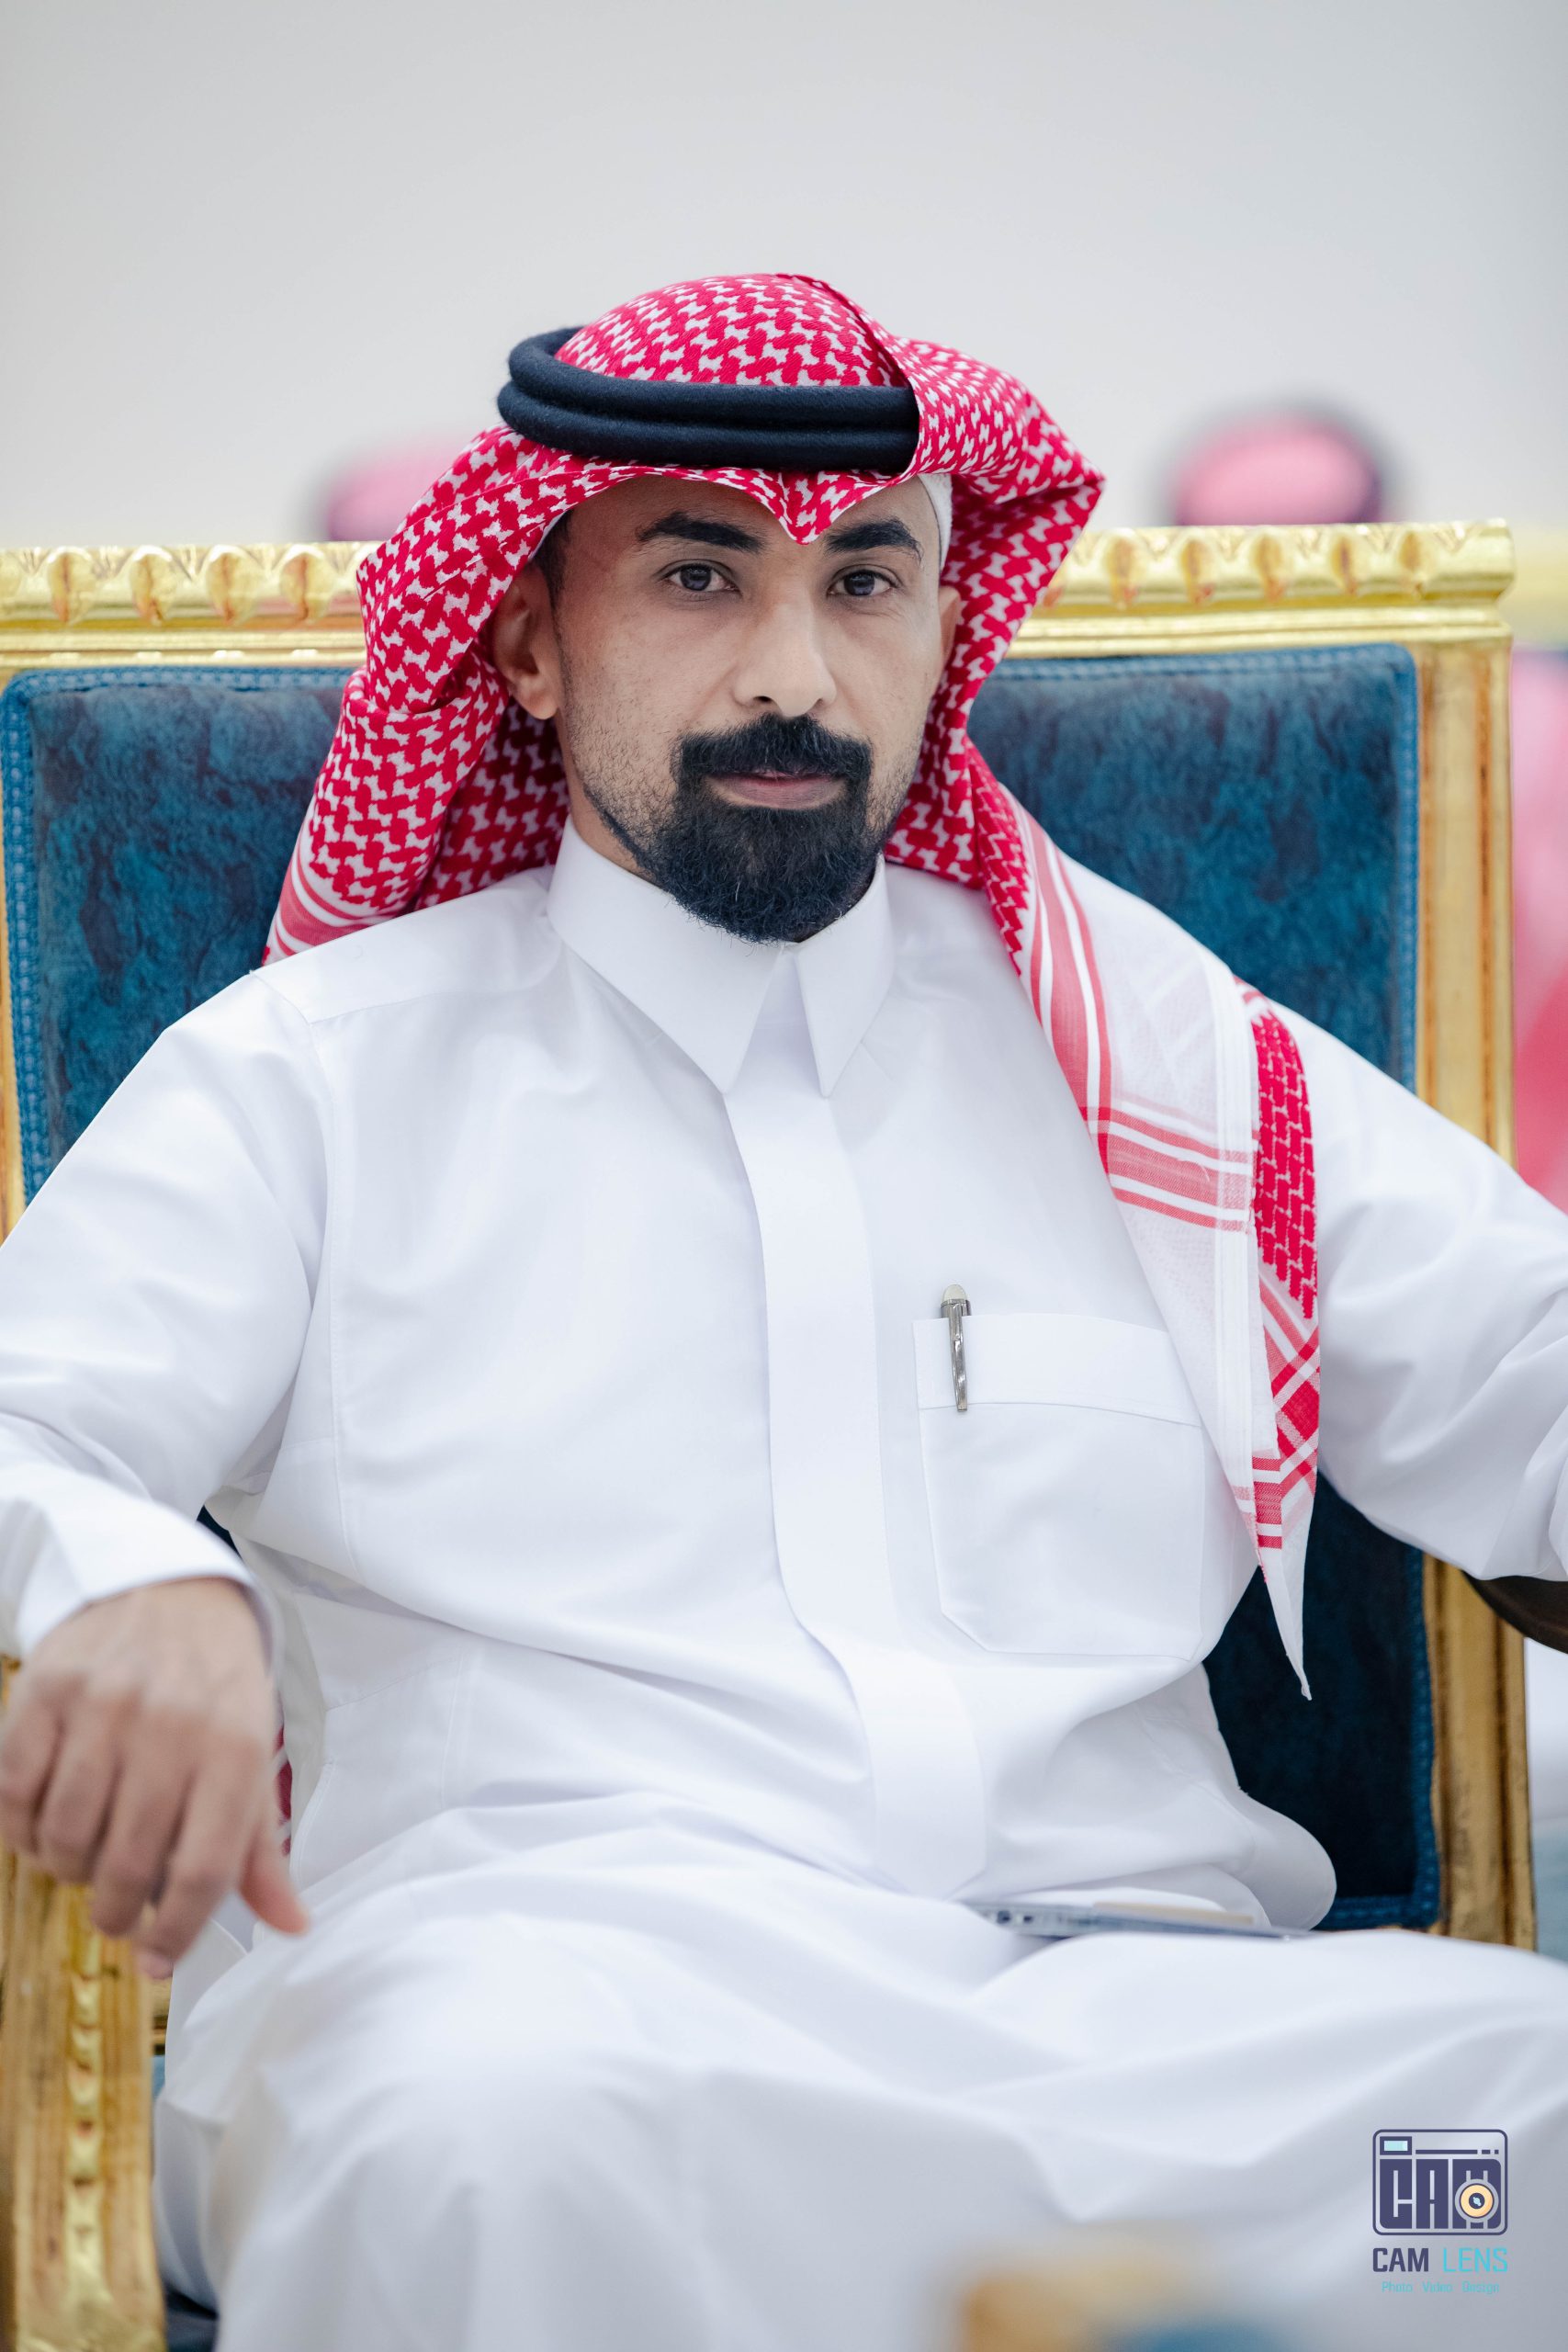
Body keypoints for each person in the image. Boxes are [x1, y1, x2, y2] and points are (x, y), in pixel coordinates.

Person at [0, 274, 1563, 2352]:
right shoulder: (314, 1081)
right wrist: (130, 1580)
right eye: (697, 575)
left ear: (944, 621)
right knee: (482, 2149)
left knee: (1519, 2133)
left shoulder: (1156, 1059)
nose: (793, 674)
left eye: (864, 582)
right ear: (528, 639)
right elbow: (30, 1421)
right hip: (564, 2014)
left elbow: (1526, 1368)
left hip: (1140, 2043)